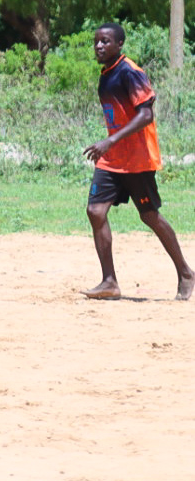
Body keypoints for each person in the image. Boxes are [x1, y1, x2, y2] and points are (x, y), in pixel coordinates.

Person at [81, 22, 194, 301]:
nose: (99, 46)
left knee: (149, 215)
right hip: (112, 160)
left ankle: (186, 273)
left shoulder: (130, 72)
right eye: (96, 41)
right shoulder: (106, 74)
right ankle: (109, 282)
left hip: (137, 159)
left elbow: (146, 115)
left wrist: (108, 141)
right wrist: (110, 146)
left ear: (119, 44)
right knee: (95, 212)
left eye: (105, 41)